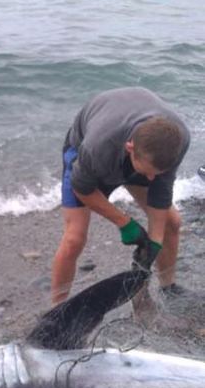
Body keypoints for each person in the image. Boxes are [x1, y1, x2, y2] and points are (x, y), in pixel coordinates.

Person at [51, 87, 190, 304]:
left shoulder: (176, 141)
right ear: (130, 148)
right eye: (148, 173)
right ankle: (57, 309)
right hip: (87, 157)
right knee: (74, 238)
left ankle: (168, 288)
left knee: (172, 223)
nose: (152, 179)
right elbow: (83, 189)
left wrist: (153, 243)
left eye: (157, 174)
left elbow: (160, 195)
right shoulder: (98, 146)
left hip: (139, 155)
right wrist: (125, 223)